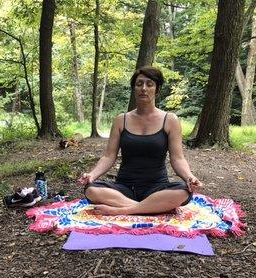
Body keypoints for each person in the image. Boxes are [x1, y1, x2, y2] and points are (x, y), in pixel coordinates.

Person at [78, 66, 203, 216]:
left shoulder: (170, 120)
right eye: (139, 84)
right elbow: (109, 156)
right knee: (91, 189)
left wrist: (190, 177)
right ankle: (152, 208)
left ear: (157, 89)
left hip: (157, 188)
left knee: (183, 191)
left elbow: (177, 158)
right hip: (124, 187)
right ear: (134, 89)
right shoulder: (121, 120)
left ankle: (123, 210)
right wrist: (92, 175)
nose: (143, 88)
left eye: (149, 84)